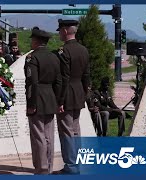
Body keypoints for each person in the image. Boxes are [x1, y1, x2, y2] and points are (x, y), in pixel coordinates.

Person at [52, 19, 90, 175]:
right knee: (75, 130)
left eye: (60, 30)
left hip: (66, 94)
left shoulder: (63, 51)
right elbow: (86, 76)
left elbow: (64, 78)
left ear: (66, 31)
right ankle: (77, 163)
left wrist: (60, 100)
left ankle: (71, 166)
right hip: (78, 92)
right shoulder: (83, 50)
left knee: (66, 131)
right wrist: (84, 94)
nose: (60, 33)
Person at [24, 27, 62, 174]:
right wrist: (58, 101)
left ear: (36, 41)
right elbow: (59, 81)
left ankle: (41, 169)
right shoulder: (54, 57)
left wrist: (31, 104)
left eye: (32, 40)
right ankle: (49, 167)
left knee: (38, 137)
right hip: (51, 99)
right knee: (49, 136)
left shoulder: (32, 58)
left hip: (37, 100)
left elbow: (32, 82)